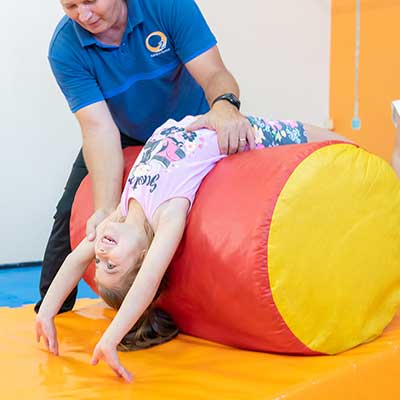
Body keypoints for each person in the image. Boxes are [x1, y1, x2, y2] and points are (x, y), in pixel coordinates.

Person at [35, 115, 352, 383]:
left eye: (99, 264)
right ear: (143, 259)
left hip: (201, 119)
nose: (100, 256)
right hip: (242, 135)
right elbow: (146, 285)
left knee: (334, 141)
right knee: (339, 145)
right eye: (111, 267)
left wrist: (48, 312)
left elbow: (77, 257)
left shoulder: (120, 212)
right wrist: (110, 338)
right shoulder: (167, 216)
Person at [35, 0, 256, 315]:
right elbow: (98, 129)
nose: (82, 15)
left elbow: (214, 73)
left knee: (198, 218)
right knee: (74, 213)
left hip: (188, 130)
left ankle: (205, 306)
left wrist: (224, 105)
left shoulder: (167, 7)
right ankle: (52, 313)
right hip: (122, 132)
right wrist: (106, 208)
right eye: (70, 6)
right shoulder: (65, 47)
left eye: (89, 1)